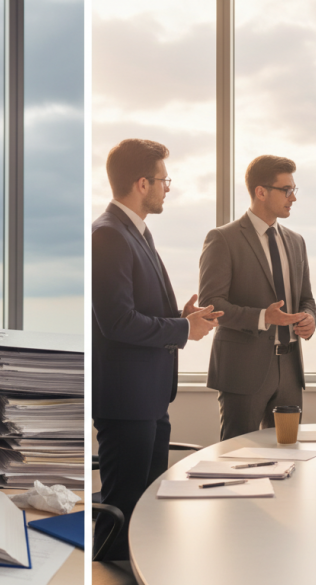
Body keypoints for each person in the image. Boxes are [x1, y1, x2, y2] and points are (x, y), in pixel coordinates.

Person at [93, 139, 221, 560]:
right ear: (141, 182)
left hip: (149, 397)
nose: (169, 188)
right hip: (127, 400)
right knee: (121, 518)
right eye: (165, 180)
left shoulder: (135, 232)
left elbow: (137, 309)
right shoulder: (108, 235)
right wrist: (184, 328)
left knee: (145, 514)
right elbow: (117, 322)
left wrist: (179, 313)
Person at [199, 155, 315, 441]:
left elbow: (306, 298)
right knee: (239, 459)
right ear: (261, 192)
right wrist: (264, 317)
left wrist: (310, 318)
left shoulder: (296, 241)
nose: (293, 198)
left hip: (289, 370)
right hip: (243, 370)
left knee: (289, 456)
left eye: (294, 190)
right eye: (286, 190)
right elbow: (211, 304)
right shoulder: (223, 238)